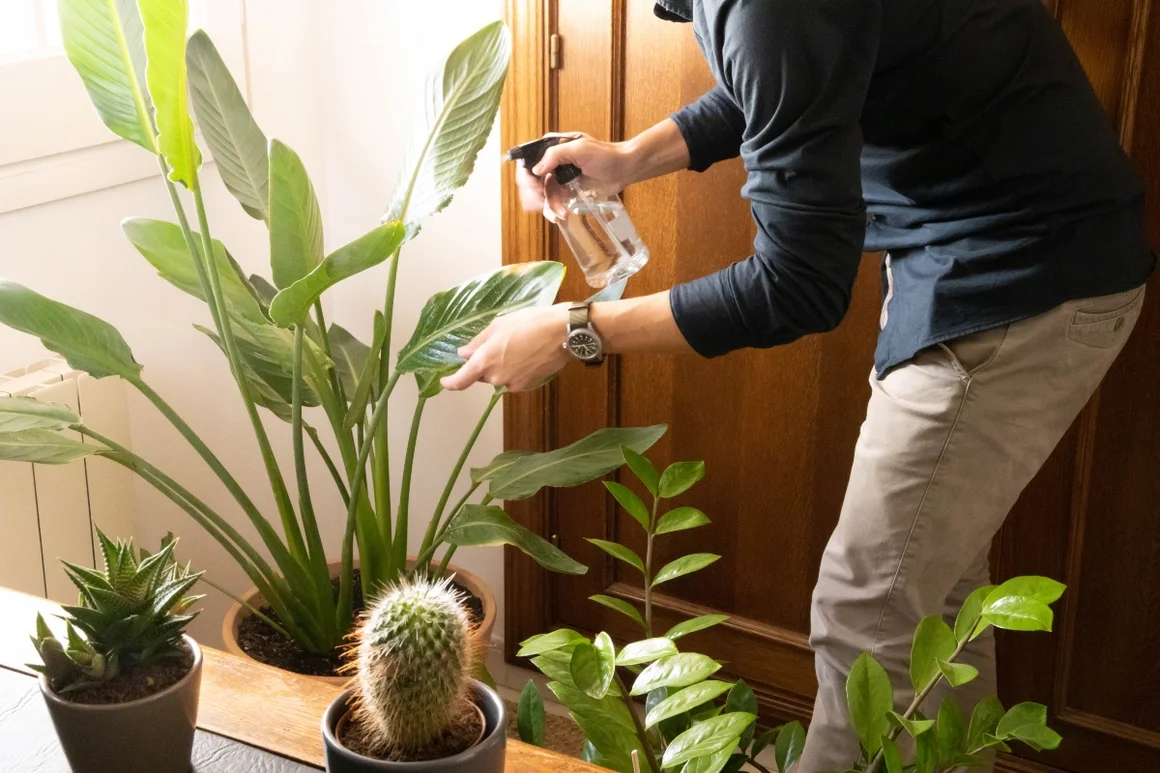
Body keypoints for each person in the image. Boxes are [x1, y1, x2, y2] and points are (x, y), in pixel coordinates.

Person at [441, 0, 1154, 769]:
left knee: (865, 614)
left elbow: (798, 285)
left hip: (1020, 281)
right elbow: (796, 70)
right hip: (983, 257)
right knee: (933, 599)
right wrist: (631, 156)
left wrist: (576, 329)